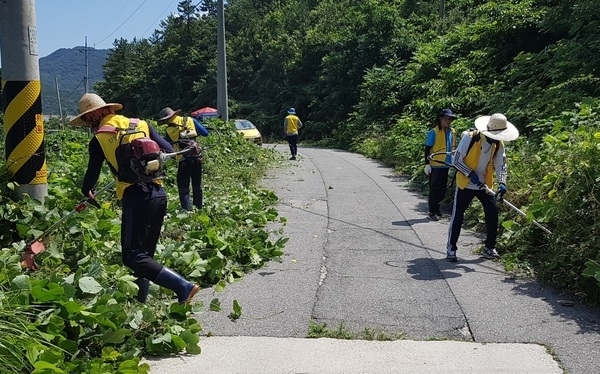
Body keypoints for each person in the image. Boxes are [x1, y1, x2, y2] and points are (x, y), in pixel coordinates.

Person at [70, 93, 200, 303]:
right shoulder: (140, 124)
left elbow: (91, 175)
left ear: (94, 115)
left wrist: (87, 191)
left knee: (132, 256)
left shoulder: (99, 139)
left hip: (135, 197)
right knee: (144, 255)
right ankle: (140, 299)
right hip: (158, 194)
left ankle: (182, 286)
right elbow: (167, 150)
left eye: (86, 119)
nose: (86, 123)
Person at [446, 113, 519, 262]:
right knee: (458, 216)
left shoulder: (498, 143)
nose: (498, 138)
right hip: (466, 183)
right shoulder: (471, 137)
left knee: (492, 214)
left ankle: (489, 247)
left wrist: (502, 182)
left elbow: (501, 163)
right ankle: (451, 249)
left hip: (484, 185)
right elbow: (456, 160)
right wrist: (469, 173)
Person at [158, 107, 209, 211]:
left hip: (183, 159)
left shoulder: (169, 130)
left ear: (166, 120)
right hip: (197, 157)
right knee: (197, 184)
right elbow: (205, 133)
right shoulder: (190, 120)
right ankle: (198, 207)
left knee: (183, 186)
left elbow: (168, 146)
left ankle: (187, 210)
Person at [424, 109, 457, 221]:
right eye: (445, 118)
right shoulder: (434, 132)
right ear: (440, 119)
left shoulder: (452, 131)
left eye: (449, 119)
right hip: (436, 164)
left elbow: (454, 147)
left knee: (443, 189)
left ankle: (438, 209)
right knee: (434, 189)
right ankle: (432, 210)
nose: (448, 121)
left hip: (447, 164)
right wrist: (427, 164)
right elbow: (427, 148)